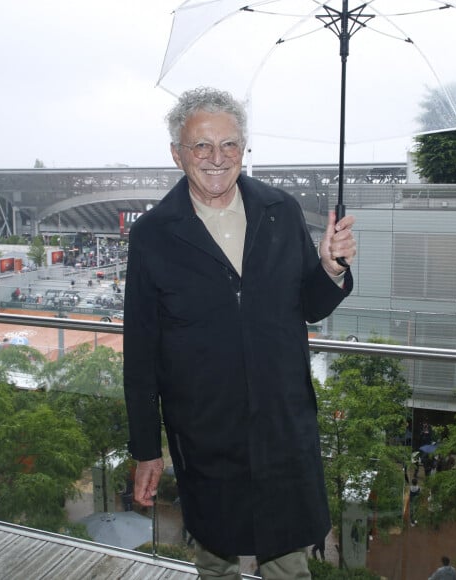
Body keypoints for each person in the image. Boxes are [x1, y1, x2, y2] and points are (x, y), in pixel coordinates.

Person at [123, 87, 356, 580]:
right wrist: (146, 449)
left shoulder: (280, 211)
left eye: (229, 144)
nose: (216, 158)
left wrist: (329, 267)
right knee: (216, 558)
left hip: (280, 425)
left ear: (244, 148)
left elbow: (309, 307)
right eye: (201, 146)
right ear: (176, 153)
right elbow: (141, 352)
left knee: (289, 561)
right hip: (206, 430)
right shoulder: (154, 234)